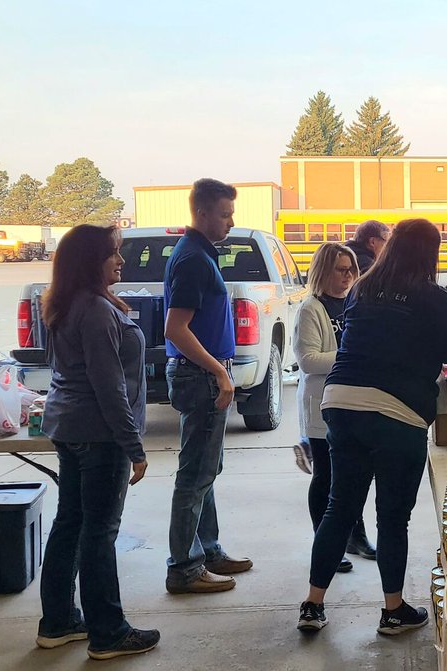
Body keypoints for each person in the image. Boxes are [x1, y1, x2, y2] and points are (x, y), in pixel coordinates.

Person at [297, 219, 447, 634]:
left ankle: (312, 604)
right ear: (430, 253)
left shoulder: (363, 288)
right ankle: (393, 610)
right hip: (397, 413)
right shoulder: (432, 295)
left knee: (340, 508)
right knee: (393, 517)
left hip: (340, 404)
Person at [37, 224, 160, 660]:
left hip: (69, 428)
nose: (121, 261)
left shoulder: (64, 303)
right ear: (91, 261)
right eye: (113, 254)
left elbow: (62, 371)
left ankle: (58, 622)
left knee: (70, 523)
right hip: (98, 434)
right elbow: (109, 388)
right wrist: (134, 447)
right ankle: (108, 633)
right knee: (99, 532)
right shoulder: (95, 310)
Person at [163, 178, 252, 595]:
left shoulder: (199, 254)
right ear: (201, 213)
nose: (230, 222)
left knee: (206, 469)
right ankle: (184, 567)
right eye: (224, 214)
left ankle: (208, 551)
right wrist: (219, 371)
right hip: (199, 377)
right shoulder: (193, 260)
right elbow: (175, 328)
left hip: (202, 374)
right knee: (195, 475)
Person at [293, 242, 377, 571]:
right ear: (323, 271)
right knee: (326, 477)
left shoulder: (356, 303)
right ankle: (325, 543)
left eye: (351, 270)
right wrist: (352, 356)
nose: (348, 276)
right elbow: (308, 360)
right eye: (341, 270)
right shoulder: (310, 309)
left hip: (355, 402)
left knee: (356, 474)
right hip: (322, 404)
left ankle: (356, 535)